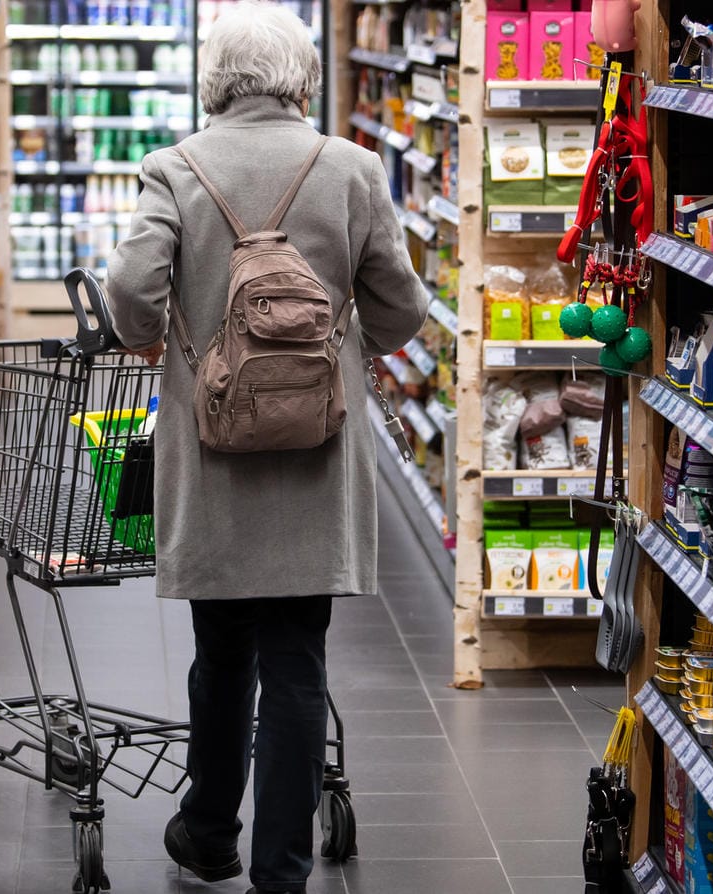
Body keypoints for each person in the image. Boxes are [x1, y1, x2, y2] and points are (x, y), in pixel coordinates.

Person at [104, 2, 430, 892]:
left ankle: (207, 831)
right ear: (301, 76)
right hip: (317, 452)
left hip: (212, 452)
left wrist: (158, 336)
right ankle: (278, 870)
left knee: (222, 650)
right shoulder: (353, 169)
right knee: (297, 656)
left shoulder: (173, 168)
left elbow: (130, 290)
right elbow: (400, 312)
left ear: (213, 81)